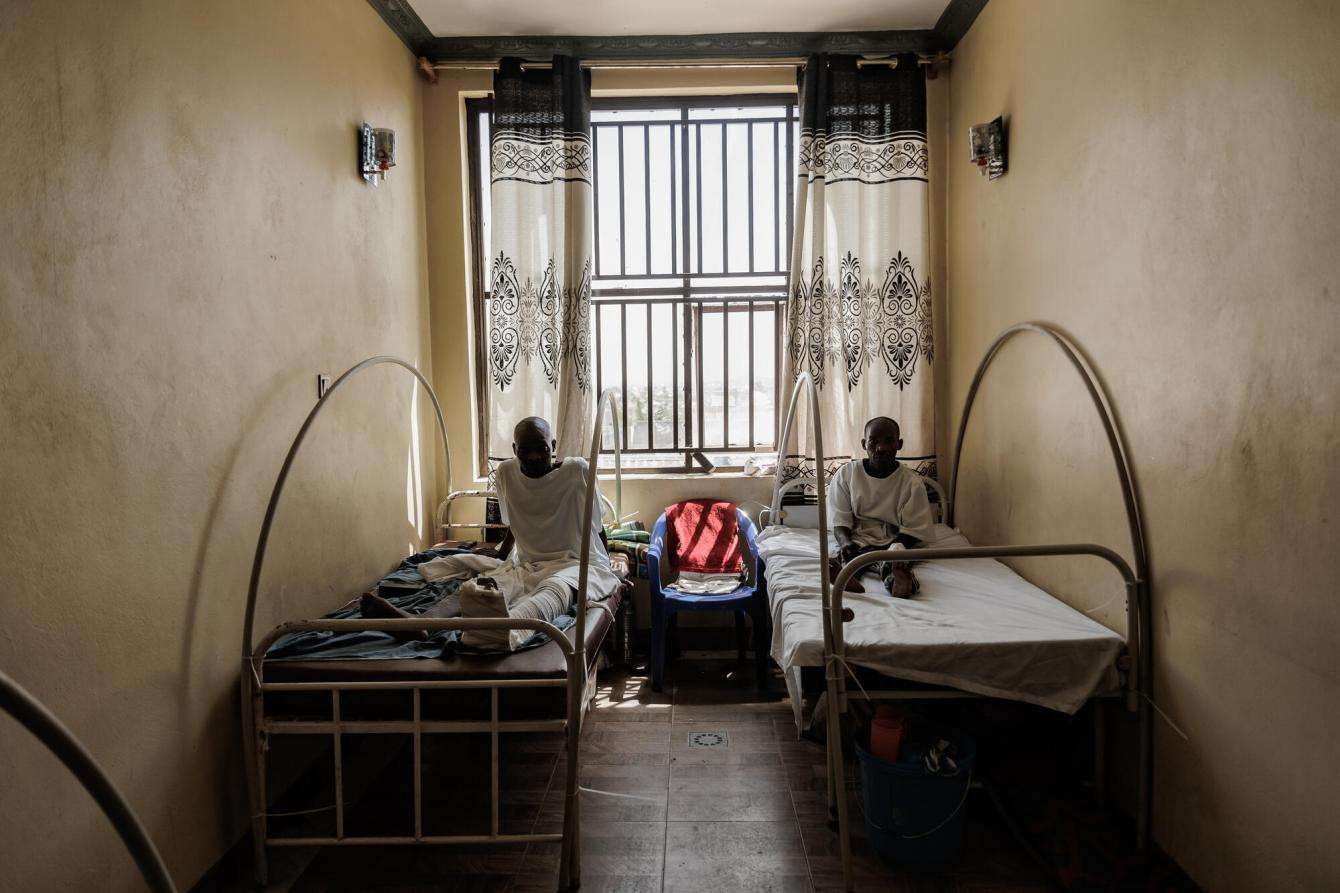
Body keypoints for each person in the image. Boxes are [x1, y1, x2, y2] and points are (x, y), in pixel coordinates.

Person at [361, 416, 619, 648]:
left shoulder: (576, 471)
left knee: (554, 590)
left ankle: (506, 630)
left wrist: (605, 565)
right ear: (514, 449)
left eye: (541, 448)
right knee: (482, 588)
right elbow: (516, 522)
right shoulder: (506, 473)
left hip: (575, 563)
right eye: (525, 450)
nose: (533, 457)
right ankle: (420, 624)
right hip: (529, 563)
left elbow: (595, 525)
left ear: (553, 445)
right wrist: (501, 554)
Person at [827, 416, 936, 598]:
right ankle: (848, 574)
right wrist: (846, 543)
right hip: (857, 538)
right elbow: (840, 519)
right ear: (864, 444)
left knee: (896, 561)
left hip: (896, 540)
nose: (881, 448)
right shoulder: (847, 474)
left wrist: (889, 549)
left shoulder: (911, 483)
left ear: (899, 444)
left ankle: (900, 580)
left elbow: (914, 530)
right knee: (848, 554)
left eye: (888, 441)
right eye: (873, 441)